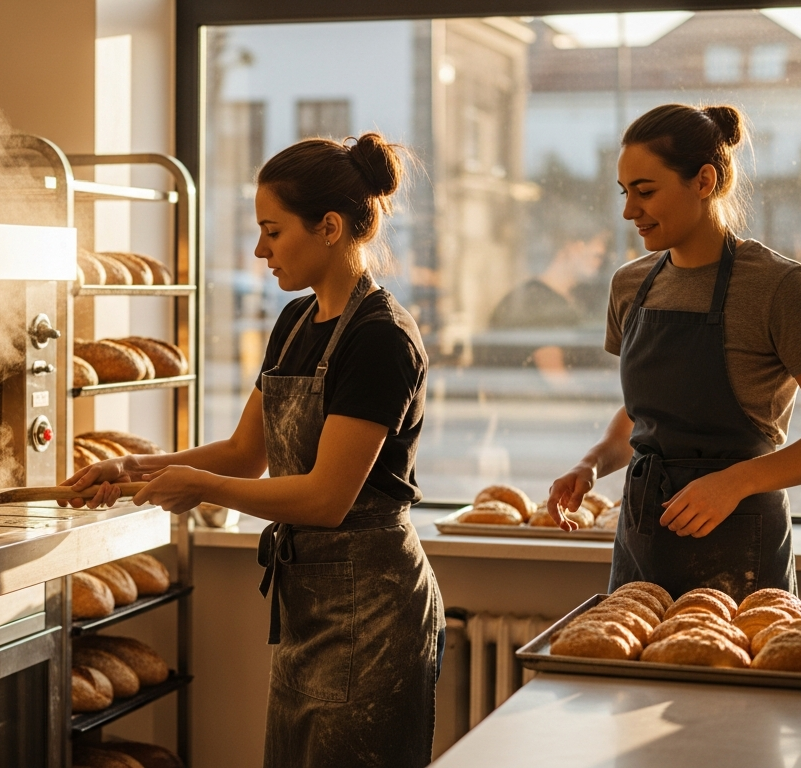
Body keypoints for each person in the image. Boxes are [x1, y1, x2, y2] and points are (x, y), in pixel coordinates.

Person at [63, 133, 441, 767]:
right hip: (311, 604)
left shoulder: (381, 340)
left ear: (328, 227)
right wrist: (134, 467)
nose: (259, 250)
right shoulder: (295, 324)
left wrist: (200, 487)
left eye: (272, 230)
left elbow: (324, 498)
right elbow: (245, 452)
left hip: (373, 610)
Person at [545, 104, 801, 601]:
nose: (629, 211)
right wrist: (591, 465)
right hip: (642, 540)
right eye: (625, 192)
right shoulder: (630, 286)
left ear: (703, 180)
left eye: (646, 191)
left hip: (740, 547)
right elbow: (644, 412)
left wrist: (734, 483)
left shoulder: (778, 286)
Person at [487, 231, 609, 383]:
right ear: (572, 247)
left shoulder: (567, 299)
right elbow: (557, 380)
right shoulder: (538, 301)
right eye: (595, 255)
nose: (599, 262)